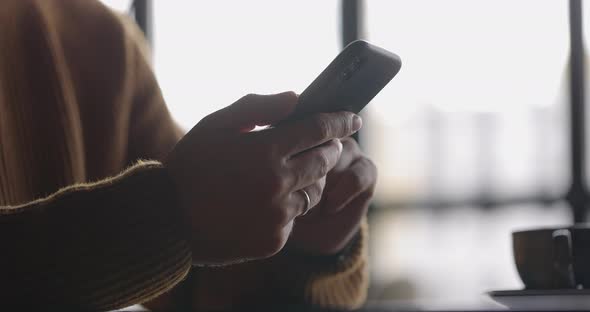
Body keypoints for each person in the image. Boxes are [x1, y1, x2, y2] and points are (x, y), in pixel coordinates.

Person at [0, 0, 377, 310]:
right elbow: (183, 216)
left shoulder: (99, 38)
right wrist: (169, 215)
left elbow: (198, 276)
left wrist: (304, 248)